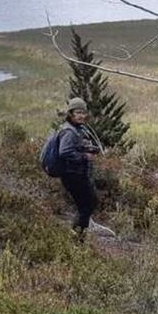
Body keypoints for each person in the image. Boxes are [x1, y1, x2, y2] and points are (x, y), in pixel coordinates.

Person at [57, 97, 100, 242]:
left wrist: (88, 149)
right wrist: (85, 156)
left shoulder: (76, 128)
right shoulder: (69, 131)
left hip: (77, 174)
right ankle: (77, 238)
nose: (81, 115)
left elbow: (74, 148)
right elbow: (64, 152)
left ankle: (77, 235)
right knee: (88, 204)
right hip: (72, 175)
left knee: (88, 204)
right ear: (71, 114)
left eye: (83, 112)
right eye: (78, 112)